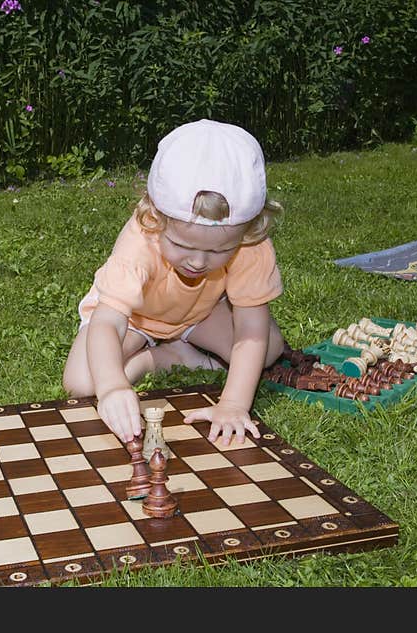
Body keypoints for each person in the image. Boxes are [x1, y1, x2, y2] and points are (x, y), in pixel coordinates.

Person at [62, 119, 285, 445]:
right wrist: (112, 387)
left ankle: (169, 355)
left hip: (199, 313)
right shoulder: (140, 240)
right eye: (182, 246)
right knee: (82, 383)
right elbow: (108, 322)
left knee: (269, 348)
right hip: (136, 316)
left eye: (219, 250)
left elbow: (252, 327)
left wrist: (234, 404)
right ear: (153, 216)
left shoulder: (250, 243)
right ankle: (148, 355)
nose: (198, 262)